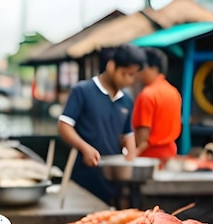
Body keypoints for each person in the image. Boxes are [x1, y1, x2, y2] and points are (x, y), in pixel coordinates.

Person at [57, 44, 146, 205]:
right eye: (126, 74)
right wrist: (85, 148)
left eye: (133, 75)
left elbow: (127, 133)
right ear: (112, 66)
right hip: (85, 176)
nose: (130, 80)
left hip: (114, 179)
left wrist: (131, 157)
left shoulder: (126, 100)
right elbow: (64, 125)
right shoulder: (82, 90)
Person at [133, 48, 182, 160]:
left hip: (149, 157)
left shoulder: (147, 95)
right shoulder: (173, 92)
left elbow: (142, 139)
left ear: (153, 68)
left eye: (141, 68)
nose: (137, 72)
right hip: (170, 155)